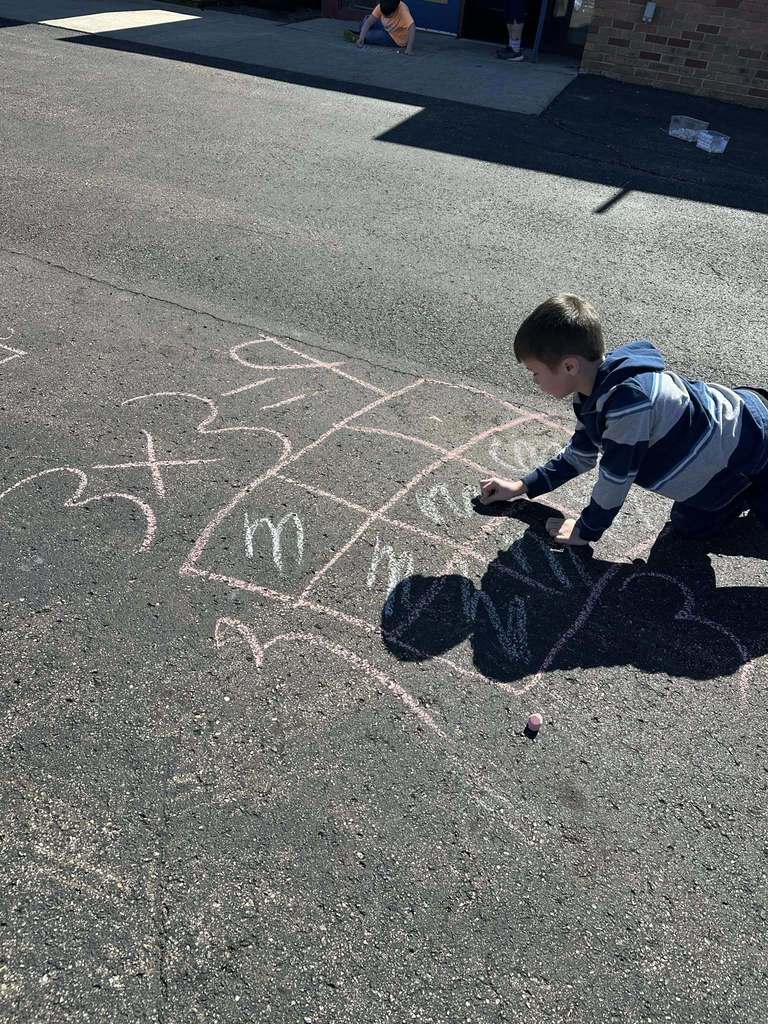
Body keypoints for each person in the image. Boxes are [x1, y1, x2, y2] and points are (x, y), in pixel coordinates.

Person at [478, 294, 768, 545]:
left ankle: (748, 487)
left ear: (569, 365)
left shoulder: (628, 405)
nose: (535, 381)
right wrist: (521, 486)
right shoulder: (591, 394)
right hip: (726, 453)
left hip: (755, 444)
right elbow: (579, 455)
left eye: (535, 372)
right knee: (689, 526)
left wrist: (585, 529)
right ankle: (736, 492)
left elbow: (616, 479)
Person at [345, 0, 416, 54]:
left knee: (369, 35)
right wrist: (361, 37)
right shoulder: (382, 5)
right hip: (387, 26)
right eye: (383, 14)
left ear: (395, 11)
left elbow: (412, 27)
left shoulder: (403, 11)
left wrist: (409, 48)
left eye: (388, 16)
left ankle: (362, 37)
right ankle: (361, 37)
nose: (385, 16)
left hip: (396, 38)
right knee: (367, 19)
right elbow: (369, 21)